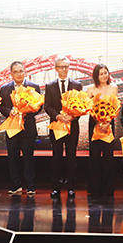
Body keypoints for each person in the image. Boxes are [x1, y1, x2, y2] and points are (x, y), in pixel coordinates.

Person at [0, 61, 42, 196]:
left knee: (28, 157)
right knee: (12, 157)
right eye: (15, 71)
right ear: (11, 74)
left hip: (27, 127)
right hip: (12, 127)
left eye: (21, 71)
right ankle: (15, 185)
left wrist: (26, 112)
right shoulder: (5, 88)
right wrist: (9, 111)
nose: (18, 74)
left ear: (25, 72)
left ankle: (30, 186)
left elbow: (39, 106)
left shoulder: (33, 87)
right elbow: (1, 106)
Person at [45, 57, 83, 199]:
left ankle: (71, 187)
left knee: (71, 156)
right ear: (56, 68)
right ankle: (56, 187)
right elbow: (47, 106)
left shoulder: (77, 84)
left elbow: (81, 105)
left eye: (66, 66)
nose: (64, 69)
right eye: (61, 67)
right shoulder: (49, 85)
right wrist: (58, 117)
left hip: (72, 126)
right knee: (57, 156)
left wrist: (73, 117)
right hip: (56, 126)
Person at [87, 64, 118, 196]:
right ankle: (95, 187)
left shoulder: (113, 88)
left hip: (109, 123)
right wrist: (98, 122)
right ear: (96, 76)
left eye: (106, 73)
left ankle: (107, 188)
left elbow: (114, 107)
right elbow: (89, 108)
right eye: (101, 74)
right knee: (94, 155)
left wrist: (107, 122)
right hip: (94, 124)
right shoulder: (90, 89)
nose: (104, 76)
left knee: (108, 156)